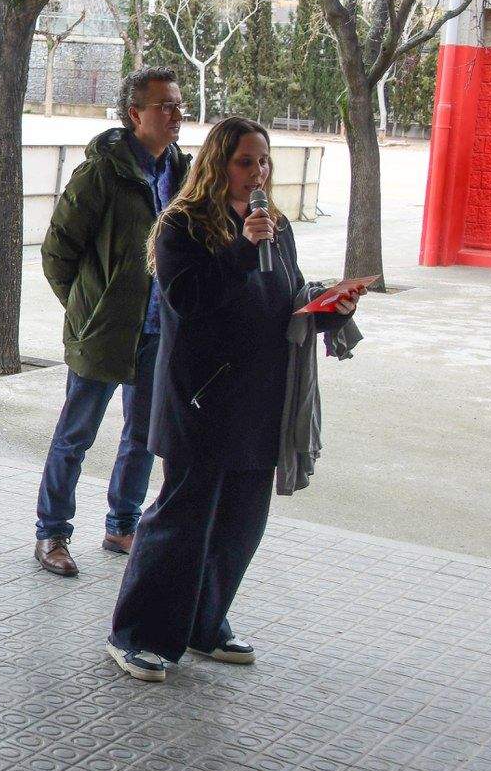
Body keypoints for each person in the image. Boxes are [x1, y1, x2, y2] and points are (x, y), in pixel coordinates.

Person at [105, 116, 361, 682]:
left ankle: (204, 623)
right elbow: (189, 302)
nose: (257, 173)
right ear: (217, 165)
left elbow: (280, 304)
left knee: (241, 521)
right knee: (183, 518)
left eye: (263, 162)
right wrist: (243, 250)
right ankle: (137, 635)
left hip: (260, 399)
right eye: (245, 162)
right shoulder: (183, 227)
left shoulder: (276, 227)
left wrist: (326, 309)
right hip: (202, 398)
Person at [33, 67, 190, 576]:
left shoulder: (181, 173)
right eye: (163, 105)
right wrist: (86, 308)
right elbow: (58, 251)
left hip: (157, 330)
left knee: (143, 435)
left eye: (178, 104)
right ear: (134, 113)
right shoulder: (103, 173)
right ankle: (51, 533)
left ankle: (122, 525)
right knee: (76, 435)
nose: (175, 114)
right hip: (104, 329)